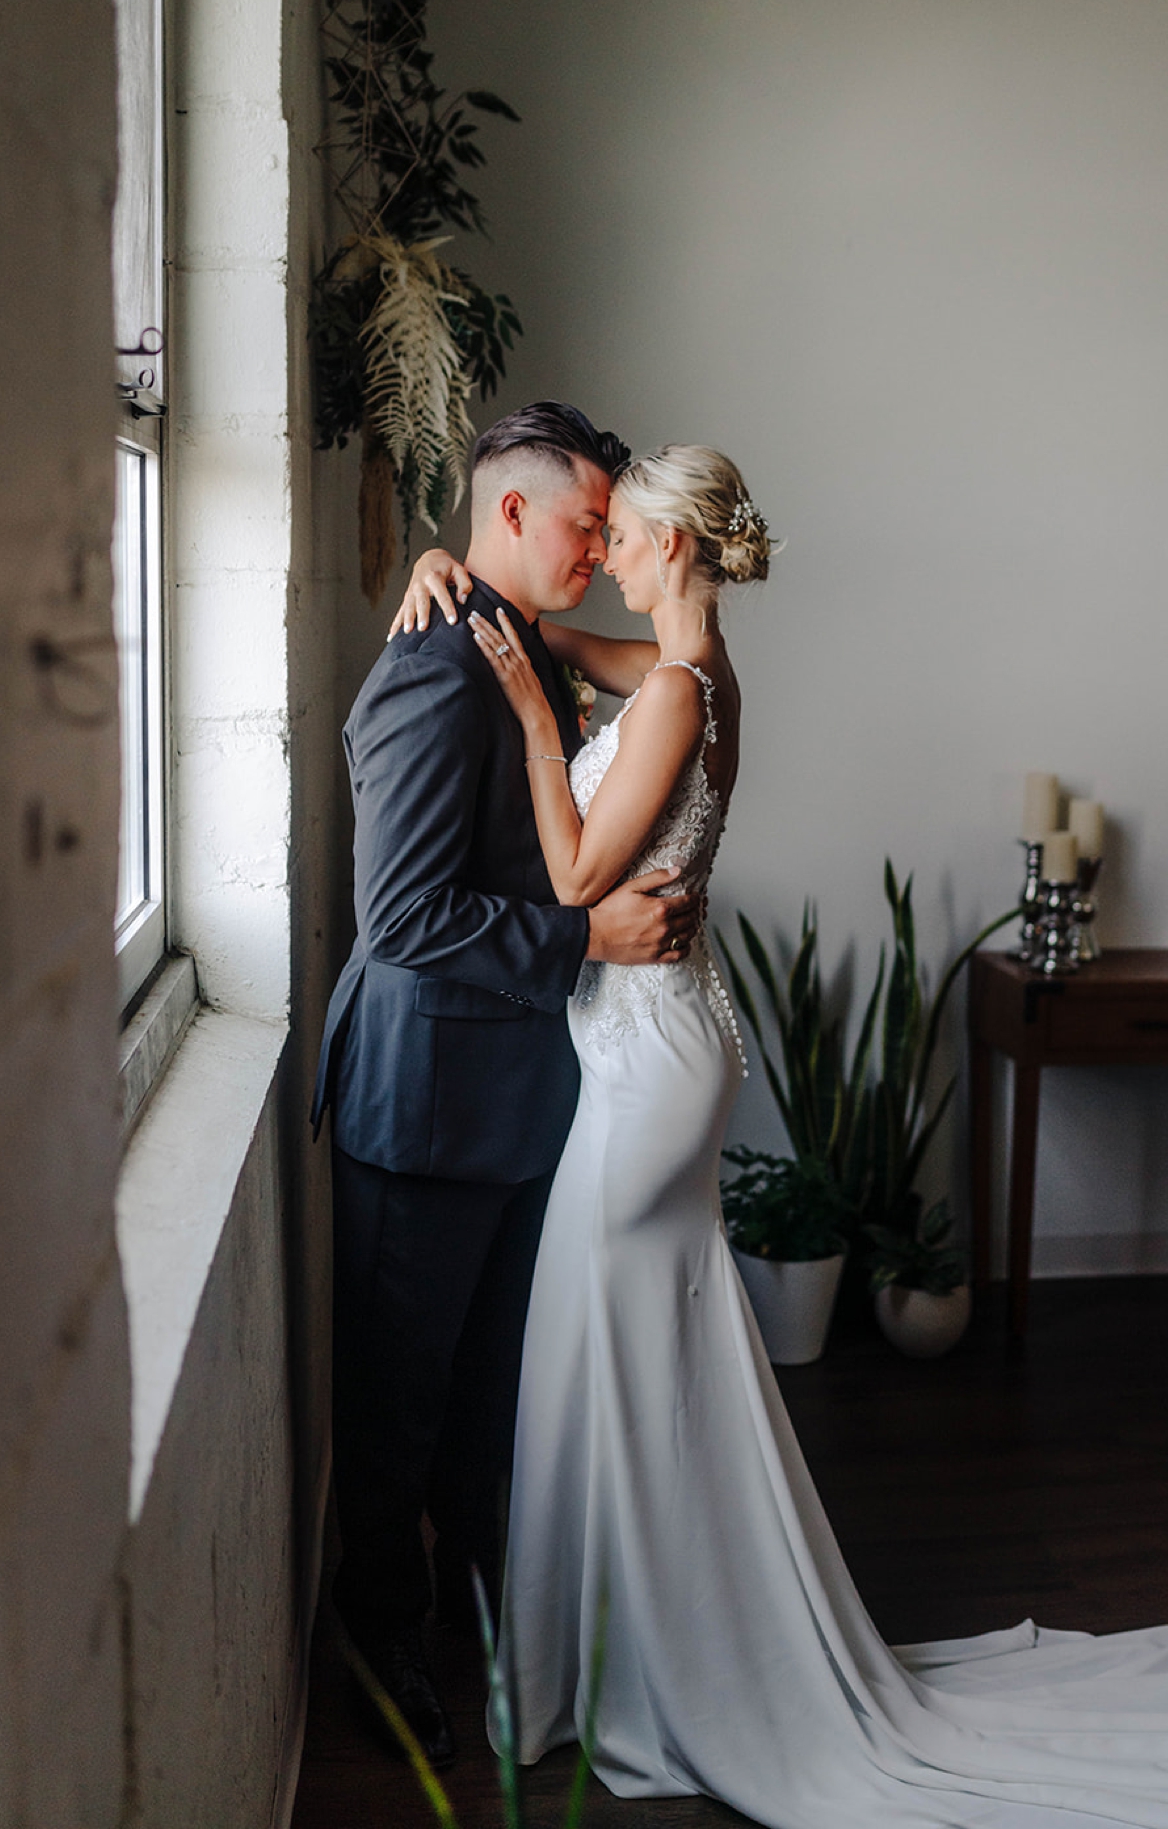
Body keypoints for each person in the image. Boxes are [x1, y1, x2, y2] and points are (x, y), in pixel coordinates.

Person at [403, 444, 1168, 1829]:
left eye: (626, 533)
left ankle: (627, 1670)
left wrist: (540, 741)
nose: (601, 548)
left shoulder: (671, 690)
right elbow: (542, 633)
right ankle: (621, 1651)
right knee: (614, 1351)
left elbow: (573, 876)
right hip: (659, 1043)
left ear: (676, 547)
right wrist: (446, 570)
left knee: (598, 1346)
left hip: (648, 1056)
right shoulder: (694, 669)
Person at [311, 403, 703, 1770]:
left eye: (613, 526)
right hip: (419, 1107)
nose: (602, 546)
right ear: (517, 513)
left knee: (487, 1404)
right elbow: (402, 920)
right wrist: (585, 936)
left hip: (522, 1097)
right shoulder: (431, 671)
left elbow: (674, 669)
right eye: (588, 521)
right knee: (399, 1411)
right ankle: (375, 1647)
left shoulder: (519, 636)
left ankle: (490, 1631)